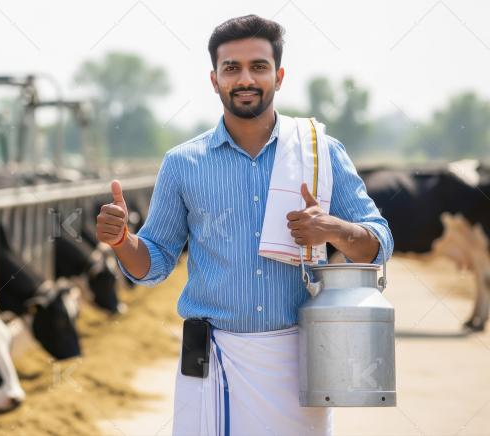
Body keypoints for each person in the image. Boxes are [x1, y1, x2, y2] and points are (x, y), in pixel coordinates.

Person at [95, 14, 393, 436]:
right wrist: (123, 241)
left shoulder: (319, 152)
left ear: (279, 75)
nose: (245, 78)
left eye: (258, 66)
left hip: (301, 359)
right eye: (231, 68)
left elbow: (379, 244)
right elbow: (155, 264)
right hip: (212, 358)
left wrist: (333, 230)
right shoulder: (183, 163)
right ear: (214, 79)